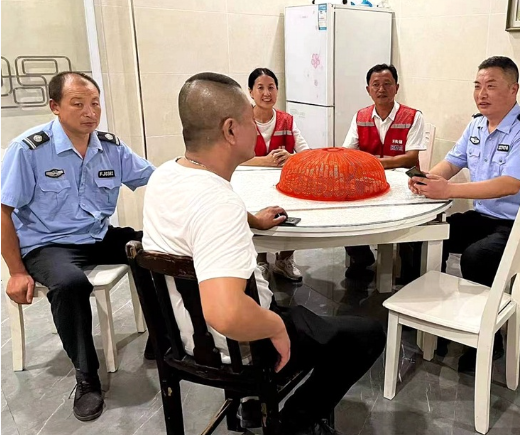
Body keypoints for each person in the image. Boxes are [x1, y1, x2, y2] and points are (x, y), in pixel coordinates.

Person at [142, 72, 385, 435]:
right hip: (241, 344)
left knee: (305, 317)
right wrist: (274, 327)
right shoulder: (218, 203)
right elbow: (226, 312)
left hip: (182, 335)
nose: (256, 127)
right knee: (366, 333)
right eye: (249, 119)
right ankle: (292, 423)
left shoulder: (166, 174)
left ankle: (263, 409)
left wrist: (253, 219)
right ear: (230, 130)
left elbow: (202, 216)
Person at [0, 71, 155, 421]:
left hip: (96, 236)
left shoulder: (110, 147)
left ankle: (162, 338)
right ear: (55, 106)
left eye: (95, 103)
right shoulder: (28, 149)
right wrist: (16, 271)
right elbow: (3, 212)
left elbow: (157, 177)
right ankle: (86, 377)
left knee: (156, 249)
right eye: (78, 104)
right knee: (71, 284)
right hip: (47, 243)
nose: (90, 112)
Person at [407, 56, 520, 374]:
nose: (481, 93)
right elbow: (452, 161)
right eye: (477, 86)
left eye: (491, 86)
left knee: (477, 257)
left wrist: (448, 190)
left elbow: (510, 184)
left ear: (513, 90)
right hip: (487, 217)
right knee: (425, 235)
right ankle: (433, 316)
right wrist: (428, 179)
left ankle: (487, 337)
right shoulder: (477, 123)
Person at [341, 63, 426, 270]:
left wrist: (375, 163)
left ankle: (409, 265)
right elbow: (348, 153)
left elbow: (410, 158)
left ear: (397, 87)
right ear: (368, 89)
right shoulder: (360, 116)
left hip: (405, 176)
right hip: (368, 177)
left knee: (414, 216)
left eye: (387, 84)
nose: (381, 89)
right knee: (344, 204)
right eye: (376, 85)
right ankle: (360, 258)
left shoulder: (413, 116)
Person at [242, 68, 310, 282]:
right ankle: (260, 260)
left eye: (271, 87)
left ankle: (285, 259)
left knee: (292, 214)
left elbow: (307, 154)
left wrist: (291, 157)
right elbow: (231, 157)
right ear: (250, 92)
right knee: (255, 213)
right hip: (250, 183)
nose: (266, 93)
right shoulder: (241, 120)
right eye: (260, 88)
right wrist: (264, 161)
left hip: (283, 184)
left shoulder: (287, 120)